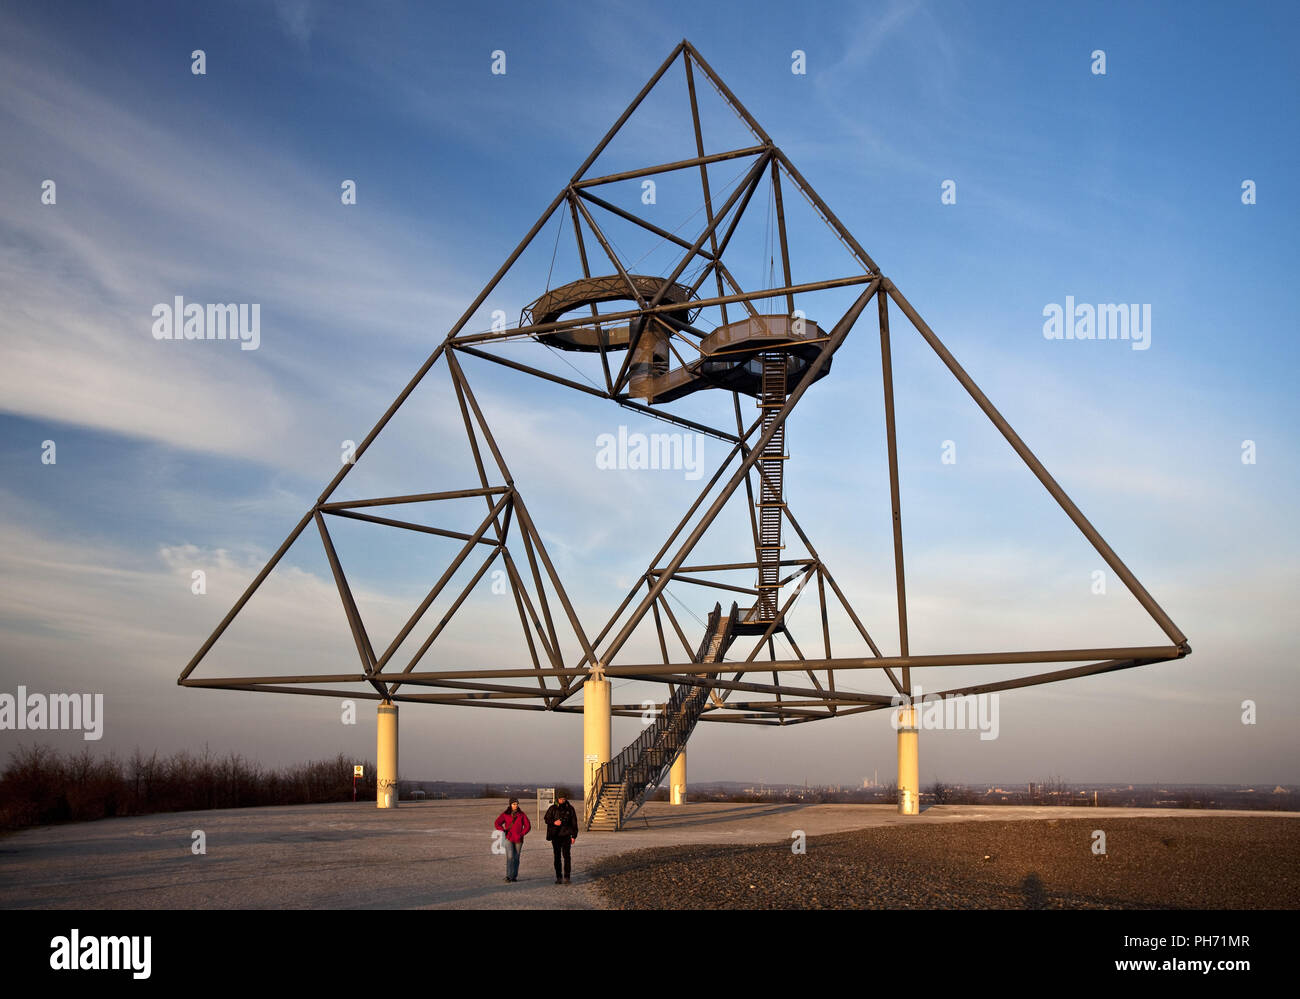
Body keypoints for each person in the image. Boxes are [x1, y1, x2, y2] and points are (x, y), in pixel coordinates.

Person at [543, 789, 578, 884]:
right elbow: (546, 819)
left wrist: (574, 836)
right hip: (555, 836)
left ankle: (567, 877)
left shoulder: (570, 809)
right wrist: (554, 822)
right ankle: (559, 876)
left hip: (566, 835)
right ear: (557, 799)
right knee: (557, 857)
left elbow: (574, 823)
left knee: (567, 856)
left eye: (564, 799)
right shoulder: (552, 808)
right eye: (561, 799)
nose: (562, 800)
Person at [494, 797, 530, 883]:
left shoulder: (522, 814)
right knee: (510, 857)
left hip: (519, 840)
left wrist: (521, 834)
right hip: (509, 838)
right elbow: (497, 823)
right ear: (510, 805)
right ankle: (508, 876)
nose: (516, 806)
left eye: (517, 804)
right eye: (514, 804)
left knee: (516, 858)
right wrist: (502, 830)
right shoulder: (505, 814)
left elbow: (528, 826)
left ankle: (514, 876)